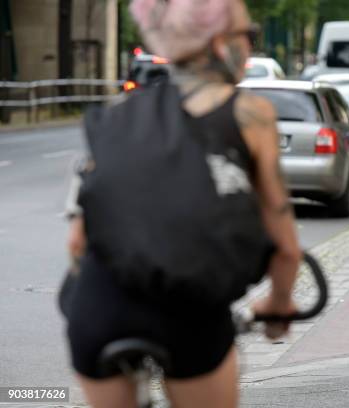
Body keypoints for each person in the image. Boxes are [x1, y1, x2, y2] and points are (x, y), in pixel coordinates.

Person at [63, 1, 300, 407]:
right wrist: (279, 304)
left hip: (99, 310)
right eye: (249, 35)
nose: (251, 46)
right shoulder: (251, 114)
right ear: (220, 42)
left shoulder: (119, 113)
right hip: (189, 311)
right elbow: (284, 245)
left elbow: (77, 243)